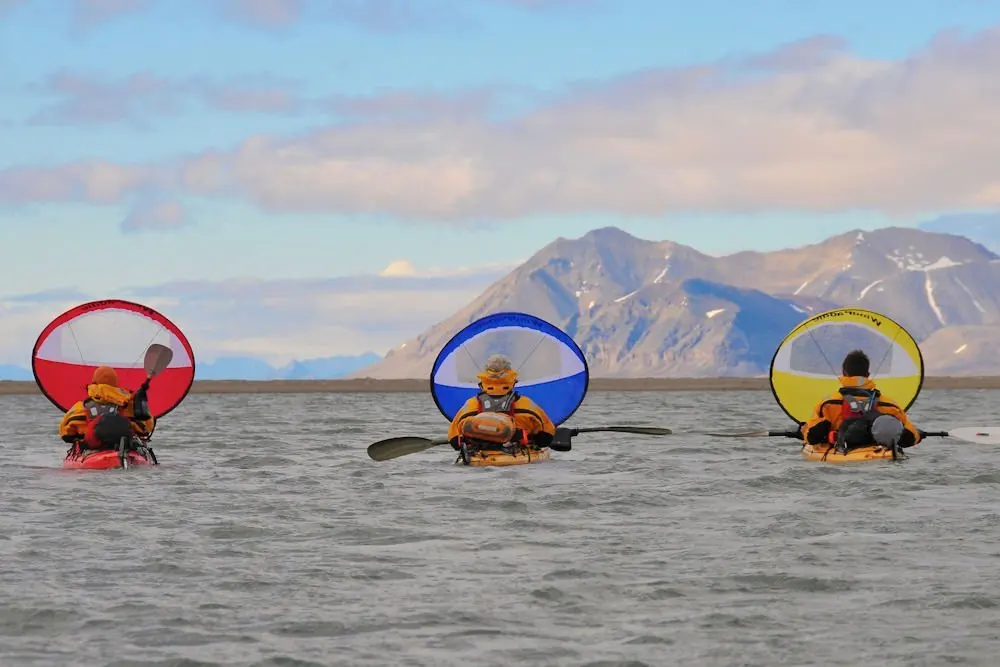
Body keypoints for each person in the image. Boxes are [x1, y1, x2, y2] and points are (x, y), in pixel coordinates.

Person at [800, 349, 922, 451]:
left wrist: (803, 430)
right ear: (867, 374)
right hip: (878, 456)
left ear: (844, 372)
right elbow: (911, 438)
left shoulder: (827, 403)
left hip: (840, 455)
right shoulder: (890, 405)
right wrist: (918, 435)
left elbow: (810, 436)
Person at [448, 353, 558, 451]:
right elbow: (546, 438)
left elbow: (454, 441)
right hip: (517, 456)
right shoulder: (527, 405)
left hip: (480, 457)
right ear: (512, 379)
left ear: (484, 379)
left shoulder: (470, 405)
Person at [59, 366, 155, 451]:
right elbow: (147, 427)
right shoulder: (130, 403)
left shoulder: (80, 407)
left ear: (94, 382)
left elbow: (65, 433)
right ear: (115, 383)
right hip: (126, 448)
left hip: (90, 450)